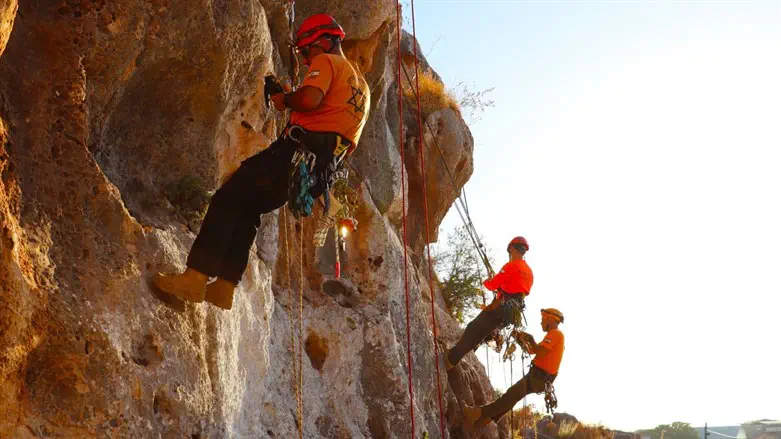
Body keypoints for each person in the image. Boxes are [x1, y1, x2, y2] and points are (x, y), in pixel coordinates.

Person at [153, 14, 370, 310]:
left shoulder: (329, 63)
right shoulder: (363, 90)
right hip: (315, 173)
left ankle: (195, 277)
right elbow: (336, 127)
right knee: (249, 209)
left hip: (292, 156)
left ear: (323, 42)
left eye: (307, 52)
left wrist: (285, 101)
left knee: (228, 197)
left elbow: (309, 100)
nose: (307, 60)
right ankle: (225, 286)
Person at [463, 308, 565, 429]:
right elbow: (532, 350)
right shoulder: (553, 335)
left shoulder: (556, 334)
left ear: (550, 318)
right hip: (540, 378)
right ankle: (485, 420)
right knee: (512, 397)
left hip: (539, 377)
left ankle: (476, 413)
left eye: (543, 319)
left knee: (510, 396)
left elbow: (540, 352)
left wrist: (531, 339)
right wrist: (518, 339)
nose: (541, 322)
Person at [446, 236, 533, 370]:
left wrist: (487, 282)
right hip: (509, 315)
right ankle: (454, 358)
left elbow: (492, 285)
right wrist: (502, 288)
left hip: (499, 308)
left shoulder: (511, 266)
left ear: (511, 249)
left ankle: (450, 360)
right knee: (480, 334)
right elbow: (518, 290)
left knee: (473, 329)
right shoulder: (529, 272)